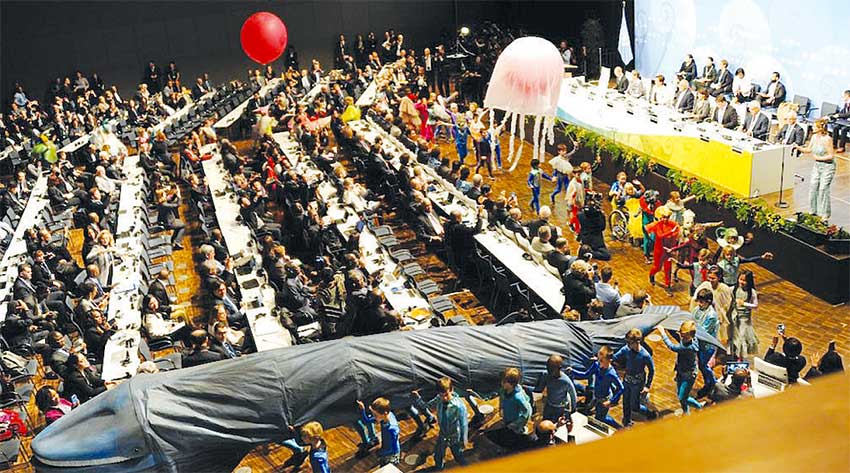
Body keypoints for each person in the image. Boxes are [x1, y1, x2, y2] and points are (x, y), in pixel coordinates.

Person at [411, 377, 468, 470]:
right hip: (443, 434)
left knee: (458, 455)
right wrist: (418, 398)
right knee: (438, 455)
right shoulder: (438, 399)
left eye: (446, 395)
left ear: (451, 390)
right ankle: (438, 468)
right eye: (441, 395)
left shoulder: (459, 406)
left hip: (455, 436)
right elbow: (427, 406)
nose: (444, 398)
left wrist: (463, 440)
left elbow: (463, 424)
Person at [570, 346, 623, 429]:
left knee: (601, 418)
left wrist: (611, 401)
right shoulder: (596, 365)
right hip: (596, 395)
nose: (599, 362)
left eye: (601, 360)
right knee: (593, 411)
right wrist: (573, 371)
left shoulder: (611, 374)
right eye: (598, 359)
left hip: (604, 399)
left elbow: (621, 388)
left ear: (609, 360)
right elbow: (586, 374)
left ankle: (620, 428)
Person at [794, 118, 836, 218]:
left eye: (814, 126)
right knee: (813, 187)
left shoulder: (827, 139)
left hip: (827, 166)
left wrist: (819, 158)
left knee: (823, 189)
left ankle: (825, 214)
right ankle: (813, 211)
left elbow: (831, 155)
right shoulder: (814, 137)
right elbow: (809, 149)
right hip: (817, 166)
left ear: (820, 128)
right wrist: (798, 147)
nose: (812, 127)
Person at [613, 329, 656, 426]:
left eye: (630, 343)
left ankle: (650, 413)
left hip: (637, 383)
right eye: (627, 342)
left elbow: (652, 370)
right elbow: (615, 357)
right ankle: (627, 421)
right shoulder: (626, 349)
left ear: (637, 342)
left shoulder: (645, 355)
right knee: (625, 402)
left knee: (634, 406)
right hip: (627, 380)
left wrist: (647, 386)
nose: (628, 345)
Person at [658, 320, 702, 414]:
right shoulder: (692, 338)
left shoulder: (687, 348)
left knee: (682, 398)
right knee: (680, 395)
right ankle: (686, 412)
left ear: (689, 336)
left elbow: (672, 347)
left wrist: (663, 333)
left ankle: (699, 407)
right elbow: (679, 337)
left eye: (683, 336)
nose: (682, 338)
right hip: (682, 371)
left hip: (688, 375)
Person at [493, 367, 533, 447]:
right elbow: (501, 399)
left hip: (516, 420)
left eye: (504, 382)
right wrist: (501, 409)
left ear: (512, 384)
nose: (502, 383)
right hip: (506, 417)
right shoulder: (503, 390)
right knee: (507, 428)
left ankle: (521, 431)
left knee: (516, 434)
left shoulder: (518, 397)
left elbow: (527, 411)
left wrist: (517, 423)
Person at [533, 354, 578, 424]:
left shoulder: (565, 381)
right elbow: (539, 389)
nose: (549, 371)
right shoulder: (546, 375)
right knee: (545, 424)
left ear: (559, 368)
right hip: (549, 405)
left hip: (560, 408)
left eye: (551, 369)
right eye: (548, 368)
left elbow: (573, 396)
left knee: (557, 425)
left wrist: (573, 410)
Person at [355, 397, 400, 465]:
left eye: (375, 415)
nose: (374, 417)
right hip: (386, 448)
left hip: (391, 454)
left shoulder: (391, 429)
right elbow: (367, 421)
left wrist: (380, 452)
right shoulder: (384, 417)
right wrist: (362, 409)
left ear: (384, 414)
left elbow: (392, 447)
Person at [691, 289, 719, 398]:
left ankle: (712, 383)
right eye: (699, 301)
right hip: (698, 343)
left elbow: (703, 331)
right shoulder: (696, 310)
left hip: (707, 346)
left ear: (708, 301)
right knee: (702, 366)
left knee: (704, 366)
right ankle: (710, 382)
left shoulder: (711, 315)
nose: (699, 304)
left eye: (702, 302)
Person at [646, 206, 680, 292]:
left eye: (667, 217)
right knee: (657, 267)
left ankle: (668, 285)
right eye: (664, 217)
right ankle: (652, 275)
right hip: (659, 250)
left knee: (668, 267)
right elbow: (660, 235)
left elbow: (677, 230)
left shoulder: (672, 224)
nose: (665, 219)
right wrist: (671, 232)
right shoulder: (658, 225)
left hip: (668, 249)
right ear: (660, 217)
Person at [730, 269, 759, 360]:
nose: (741, 282)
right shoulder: (733, 289)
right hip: (734, 316)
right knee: (733, 336)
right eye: (740, 279)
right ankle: (733, 353)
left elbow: (755, 305)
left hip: (744, 318)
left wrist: (744, 304)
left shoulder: (752, 292)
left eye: (744, 280)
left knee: (742, 337)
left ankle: (740, 357)